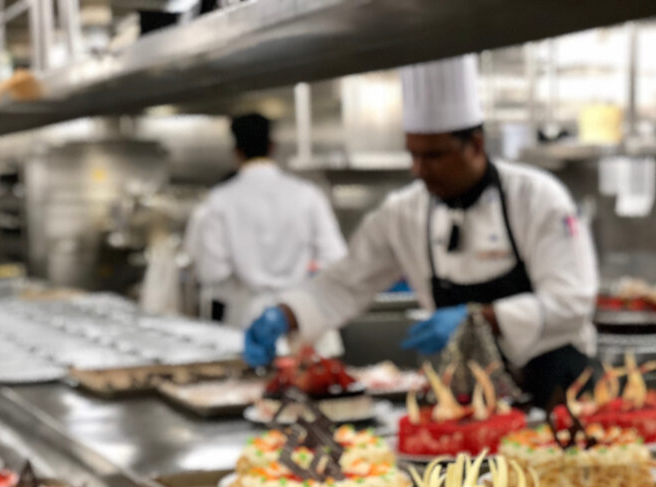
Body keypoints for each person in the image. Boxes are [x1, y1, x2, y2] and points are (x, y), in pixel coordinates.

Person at [243, 56, 598, 407]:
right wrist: (285, 314)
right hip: (466, 400)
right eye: (413, 155)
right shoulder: (403, 213)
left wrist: (477, 318)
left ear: (475, 145)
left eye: (434, 156)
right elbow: (345, 282)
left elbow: (572, 301)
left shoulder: (536, 198)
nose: (418, 170)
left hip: (557, 394)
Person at [186, 113, 348, 329]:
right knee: (302, 364)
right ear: (273, 146)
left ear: (237, 152)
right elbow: (336, 258)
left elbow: (211, 272)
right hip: (296, 316)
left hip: (246, 320)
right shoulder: (307, 194)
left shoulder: (219, 200)